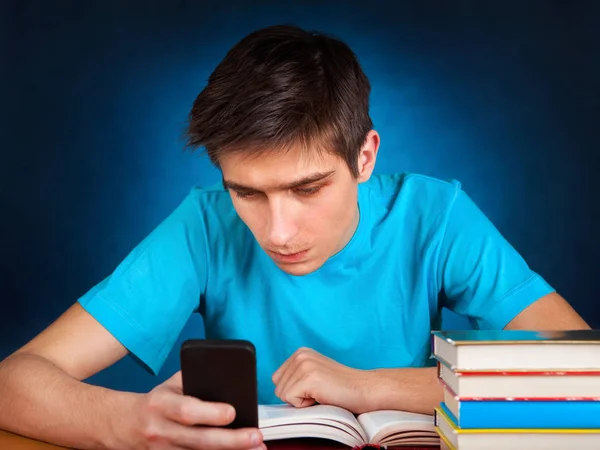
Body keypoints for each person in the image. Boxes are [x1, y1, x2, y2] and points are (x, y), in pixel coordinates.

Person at [0, 24, 589, 450]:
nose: (277, 233)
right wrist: (127, 422)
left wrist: (366, 387)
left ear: (365, 157)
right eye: (247, 193)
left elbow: (582, 374)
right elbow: (14, 382)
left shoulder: (434, 214)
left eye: (307, 189)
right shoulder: (205, 224)